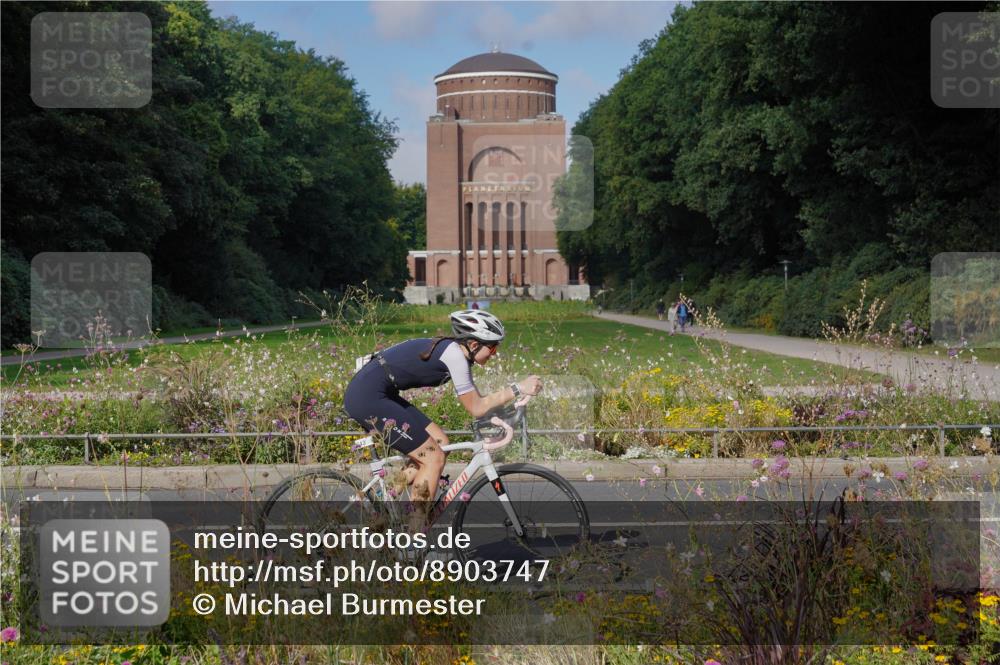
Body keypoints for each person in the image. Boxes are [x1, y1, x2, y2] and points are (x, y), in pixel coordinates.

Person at [343, 310, 542, 531]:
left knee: (440, 442)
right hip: (368, 396)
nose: (495, 353)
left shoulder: (457, 353)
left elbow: (479, 403)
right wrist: (517, 388)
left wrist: (506, 409)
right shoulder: (455, 356)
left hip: (378, 392)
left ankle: (385, 495)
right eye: (493, 347)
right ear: (474, 344)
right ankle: (413, 538)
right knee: (433, 459)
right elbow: (476, 407)